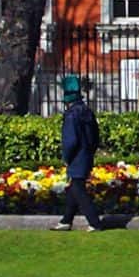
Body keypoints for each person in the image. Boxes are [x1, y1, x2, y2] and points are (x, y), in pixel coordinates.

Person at [53, 74, 102, 232]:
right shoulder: (87, 111)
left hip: (76, 157)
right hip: (86, 154)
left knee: (78, 189)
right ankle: (66, 220)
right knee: (74, 188)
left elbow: (70, 140)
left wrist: (66, 157)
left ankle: (94, 222)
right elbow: (95, 136)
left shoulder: (71, 115)